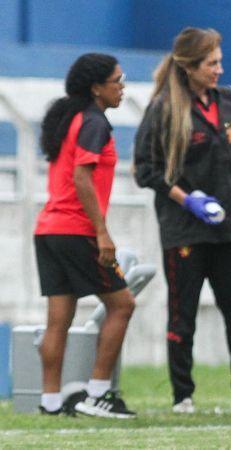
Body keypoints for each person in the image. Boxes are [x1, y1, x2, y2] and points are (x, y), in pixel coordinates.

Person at [134, 27, 231, 415]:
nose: (219, 69)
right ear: (189, 67)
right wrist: (188, 200)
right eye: (212, 63)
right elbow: (146, 170)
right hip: (184, 228)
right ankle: (182, 395)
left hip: (229, 226)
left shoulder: (229, 101)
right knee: (182, 314)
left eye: (220, 61)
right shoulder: (164, 109)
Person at [35, 53, 136, 418]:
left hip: (48, 229)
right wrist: (102, 233)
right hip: (77, 231)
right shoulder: (95, 123)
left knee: (58, 319)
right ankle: (98, 394)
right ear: (96, 88)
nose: (122, 88)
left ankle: (49, 403)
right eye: (117, 81)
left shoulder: (70, 119)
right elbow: (82, 178)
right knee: (123, 305)